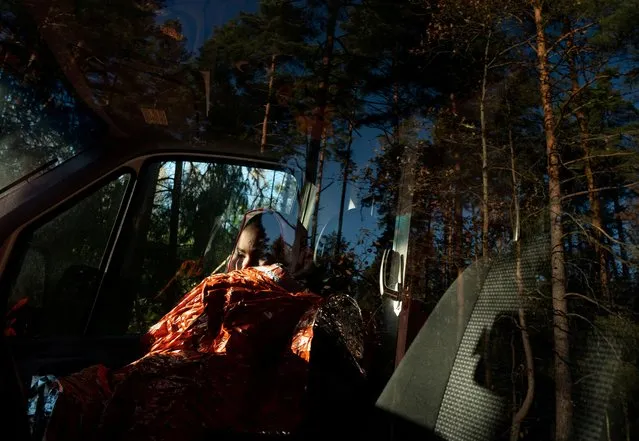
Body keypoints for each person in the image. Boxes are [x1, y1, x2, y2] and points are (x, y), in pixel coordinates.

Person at [32, 208, 365, 441]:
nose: (242, 264)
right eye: (239, 254)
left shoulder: (224, 285)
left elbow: (154, 340)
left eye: (251, 255)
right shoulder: (324, 315)